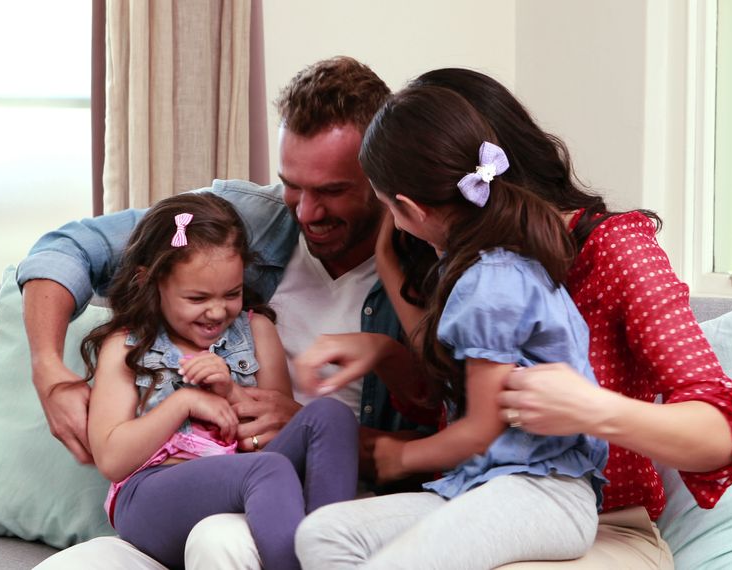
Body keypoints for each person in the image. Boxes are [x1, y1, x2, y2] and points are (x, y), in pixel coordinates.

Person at [296, 68, 732, 569]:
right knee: (324, 538)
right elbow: (467, 410)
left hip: (603, 524)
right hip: (476, 493)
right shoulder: (460, 257)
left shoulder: (612, 249)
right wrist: (386, 342)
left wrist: (591, 408)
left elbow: (725, 434)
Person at [23, 56, 435, 569]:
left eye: (331, 191)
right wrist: (47, 366)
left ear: (379, 178)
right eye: (293, 185)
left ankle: (327, 543)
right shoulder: (228, 226)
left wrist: (240, 398)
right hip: (195, 484)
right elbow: (68, 248)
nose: (305, 212)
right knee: (250, 495)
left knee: (322, 423)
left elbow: (447, 426)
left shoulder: (425, 260)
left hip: (297, 474)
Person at [293, 85, 610, 569]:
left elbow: (481, 429)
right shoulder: (470, 262)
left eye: (390, 211)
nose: (394, 226)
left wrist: (402, 457)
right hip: (484, 485)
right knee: (323, 535)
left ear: (412, 209)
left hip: (545, 494)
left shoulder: (490, 282)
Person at [83, 192, 357, 569]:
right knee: (268, 471)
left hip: (243, 475)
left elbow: (273, 434)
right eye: (197, 298)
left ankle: (329, 551)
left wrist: (232, 393)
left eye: (232, 293)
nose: (217, 311)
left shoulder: (256, 331)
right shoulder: (127, 345)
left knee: (331, 416)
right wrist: (185, 402)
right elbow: (113, 459)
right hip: (151, 497)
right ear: (150, 282)